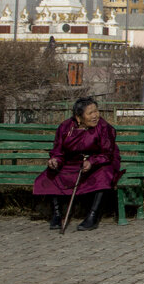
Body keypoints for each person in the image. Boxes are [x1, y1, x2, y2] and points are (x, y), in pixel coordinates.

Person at [33, 98, 121, 231]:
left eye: (96, 111)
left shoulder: (103, 128)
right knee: (51, 173)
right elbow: (59, 150)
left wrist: (91, 161)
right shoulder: (65, 127)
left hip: (99, 162)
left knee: (103, 175)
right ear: (78, 117)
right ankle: (57, 214)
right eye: (90, 113)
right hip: (72, 162)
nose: (95, 115)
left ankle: (93, 216)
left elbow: (107, 153)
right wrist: (55, 160)